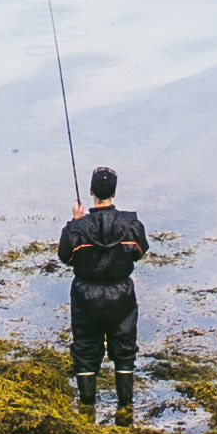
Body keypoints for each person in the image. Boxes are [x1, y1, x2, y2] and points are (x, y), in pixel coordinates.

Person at [56, 163, 148, 420]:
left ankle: (87, 408)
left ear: (90, 191)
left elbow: (65, 255)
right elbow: (140, 252)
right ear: (114, 193)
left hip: (86, 295)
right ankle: (125, 407)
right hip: (121, 295)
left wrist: (75, 221)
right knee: (125, 349)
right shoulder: (130, 225)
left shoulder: (78, 228)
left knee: (85, 349)